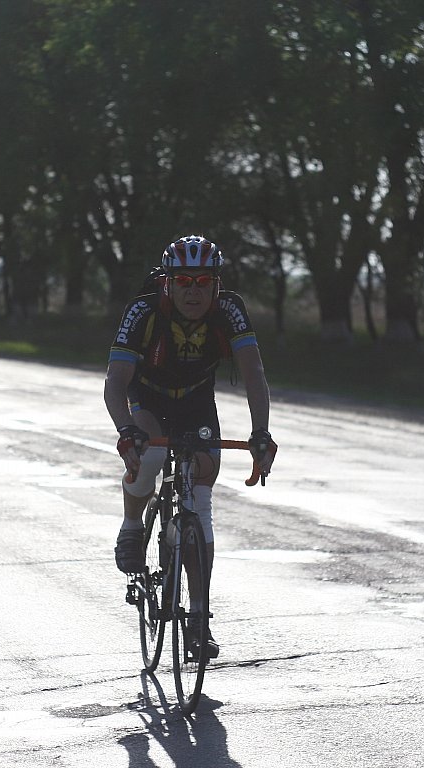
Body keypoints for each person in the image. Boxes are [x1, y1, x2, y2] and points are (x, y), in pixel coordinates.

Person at [103, 235, 276, 658]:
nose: (193, 291)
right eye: (183, 281)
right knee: (151, 453)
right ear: (168, 283)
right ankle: (132, 525)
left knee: (200, 502)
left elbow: (253, 373)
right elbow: (115, 383)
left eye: (203, 282)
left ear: (216, 284)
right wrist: (126, 430)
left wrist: (261, 432)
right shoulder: (143, 310)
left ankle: (199, 619)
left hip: (197, 403)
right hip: (148, 397)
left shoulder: (229, 310)